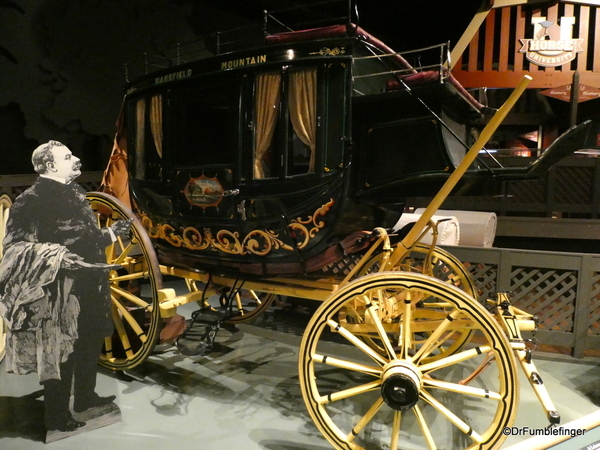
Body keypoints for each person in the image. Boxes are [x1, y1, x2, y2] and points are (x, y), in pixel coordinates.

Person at [0, 140, 131, 433]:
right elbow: (15, 248)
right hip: (58, 291)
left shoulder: (75, 193)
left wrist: (109, 234)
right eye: (68, 157)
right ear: (49, 166)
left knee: (90, 341)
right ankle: (57, 417)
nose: (77, 159)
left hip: (91, 285)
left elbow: (85, 238)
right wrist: (56, 257)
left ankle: (84, 398)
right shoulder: (30, 201)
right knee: (60, 351)